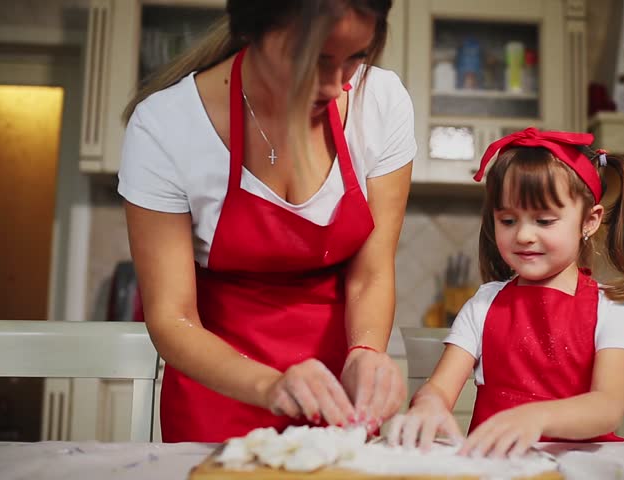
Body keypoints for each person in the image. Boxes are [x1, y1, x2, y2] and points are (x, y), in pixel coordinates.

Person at [119, 0, 415, 442]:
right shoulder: (166, 126)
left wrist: (366, 351)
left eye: (356, 57)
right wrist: (269, 385)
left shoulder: (380, 102)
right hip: (218, 402)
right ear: (253, 32)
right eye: (314, 60)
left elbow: (370, 275)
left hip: (338, 400)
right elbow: (172, 317)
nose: (336, 86)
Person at [387, 128, 624, 457]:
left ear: (589, 221)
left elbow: (607, 406)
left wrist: (536, 418)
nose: (524, 235)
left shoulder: (611, 309)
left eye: (544, 221)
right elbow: (439, 389)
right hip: (497, 468)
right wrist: (428, 404)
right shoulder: (484, 304)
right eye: (508, 220)